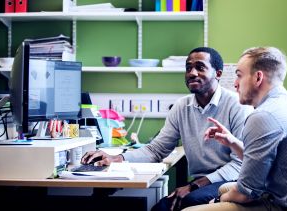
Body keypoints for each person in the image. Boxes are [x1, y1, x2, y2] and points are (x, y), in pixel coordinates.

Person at [81, 47, 254, 210]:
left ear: (218, 74)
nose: (192, 73)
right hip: (200, 181)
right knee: (162, 207)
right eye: (188, 68)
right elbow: (156, 150)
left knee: (182, 201)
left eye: (200, 67)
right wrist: (116, 158)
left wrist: (193, 186)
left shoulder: (237, 106)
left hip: (230, 181)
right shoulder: (181, 106)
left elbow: (240, 164)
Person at [183, 47, 287, 211]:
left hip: (281, 205)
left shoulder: (264, 116)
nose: (235, 84)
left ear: (258, 77)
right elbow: (264, 161)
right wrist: (233, 142)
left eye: (239, 75)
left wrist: (218, 200)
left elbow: (246, 193)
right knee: (224, 188)